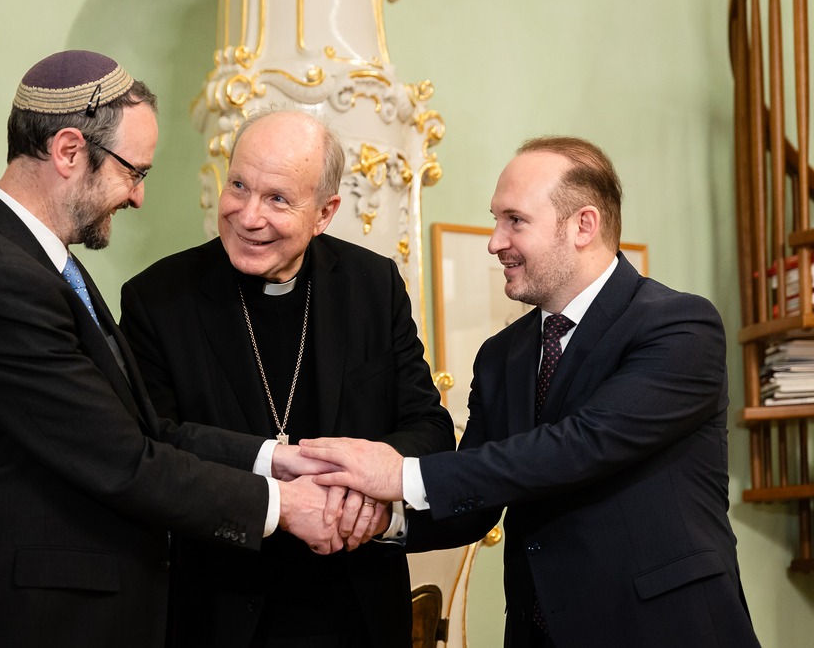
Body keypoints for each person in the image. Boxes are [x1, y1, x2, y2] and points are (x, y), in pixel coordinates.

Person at [0, 51, 339, 648]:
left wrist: (272, 460)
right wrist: (281, 505)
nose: (137, 197)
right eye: (134, 172)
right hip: (36, 626)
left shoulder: (31, 260)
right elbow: (124, 462)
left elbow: (142, 431)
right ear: (69, 152)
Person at [300, 137, 760, 648]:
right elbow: (474, 503)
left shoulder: (680, 326)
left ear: (584, 225)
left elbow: (580, 446)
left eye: (515, 221)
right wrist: (378, 520)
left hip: (666, 629)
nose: (495, 242)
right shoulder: (501, 355)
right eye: (496, 220)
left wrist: (400, 474)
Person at [119, 109, 455, 648]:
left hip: (359, 608)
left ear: (324, 213)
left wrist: (364, 488)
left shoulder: (373, 285)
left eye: (278, 199)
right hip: (222, 611)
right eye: (239, 186)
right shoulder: (158, 298)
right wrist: (271, 464)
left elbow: (429, 427)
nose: (248, 216)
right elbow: (154, 443)